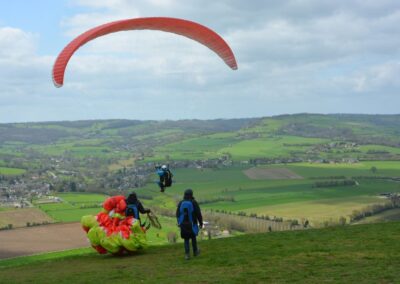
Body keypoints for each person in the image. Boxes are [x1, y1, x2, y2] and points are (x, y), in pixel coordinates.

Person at [176, 189, 203, 260]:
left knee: (186, 239)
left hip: (183, 224)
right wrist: (201, 223)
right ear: (191, 194)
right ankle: (195, 252)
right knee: (193, 237)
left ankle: (187, 255)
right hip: (192, 223)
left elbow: (178, 214)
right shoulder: (193, 202)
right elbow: (198, 214)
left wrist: (179, 222)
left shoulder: (181, 202)